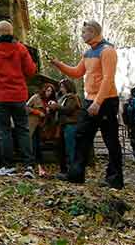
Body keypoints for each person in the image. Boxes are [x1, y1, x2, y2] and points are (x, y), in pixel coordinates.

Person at [51, 20, 124, 189]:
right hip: (90, 100)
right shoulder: (88, 53)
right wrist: (58, 64)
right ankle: (75, 174)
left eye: (85, 32)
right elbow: (77, 72)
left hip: (106, 101)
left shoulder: (107, 51)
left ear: (93, 32)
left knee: (110, 139)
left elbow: (108, 79)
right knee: (81, 135)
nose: (82, 35)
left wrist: (98, 102)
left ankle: (115, 179)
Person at [0, 20, 37, 177]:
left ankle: (8, 166)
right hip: (19, 96)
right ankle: (28, 167)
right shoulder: (20, 49)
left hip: (0, 97)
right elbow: (31, 71)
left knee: (4, 131)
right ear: (11, 32)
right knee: (23, 130)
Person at [48, 79, 81, 176]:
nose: (61, 89)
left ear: (68, 87)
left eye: (62, 86)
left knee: (70, 149)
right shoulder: (62, 98)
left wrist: (56, 106)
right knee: (62, 149)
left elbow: (68, 110)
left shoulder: (73, 98)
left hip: (71, 125)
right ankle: (64, 171)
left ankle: (73, 172)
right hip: (63, 126)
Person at [27, 83, 56, 176]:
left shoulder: (50, 101)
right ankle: (32, 166)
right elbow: (25, 107)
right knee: (33, 145)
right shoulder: (36, 97)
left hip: (42, 127)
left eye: (51, 91)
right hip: (32, 125)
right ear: (43, 90)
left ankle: (40, 168)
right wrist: (37, 112)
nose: (49, 93)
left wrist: (49, 111)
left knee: (39, 147)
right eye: (48, 90)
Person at [122, 87, 135, 164]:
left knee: (134, 141)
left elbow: (124, 116)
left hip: (131, 126)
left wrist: (127, 124)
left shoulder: (127, 104)